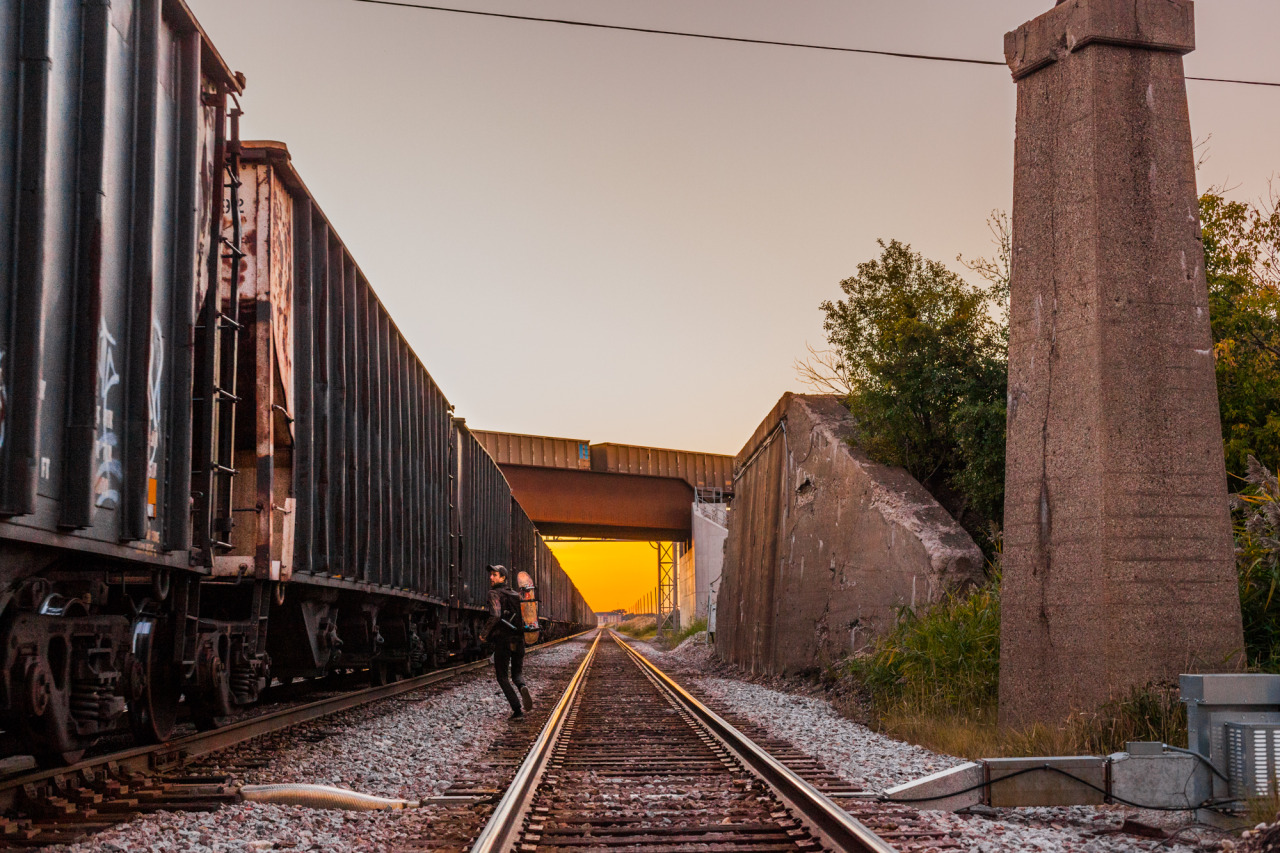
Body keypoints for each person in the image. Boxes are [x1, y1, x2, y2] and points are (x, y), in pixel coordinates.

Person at [480, 565, 533, 719]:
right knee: (517, 674)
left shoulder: (494, 593)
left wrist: (484, 634)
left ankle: (517, 710)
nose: (491, 578)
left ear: (503, 578)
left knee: (502, 677)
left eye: (495, 575)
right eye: (490, 575)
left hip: (503, 641)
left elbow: (495, 615)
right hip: (519, 640)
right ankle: (522, 686)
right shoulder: (517, 595)